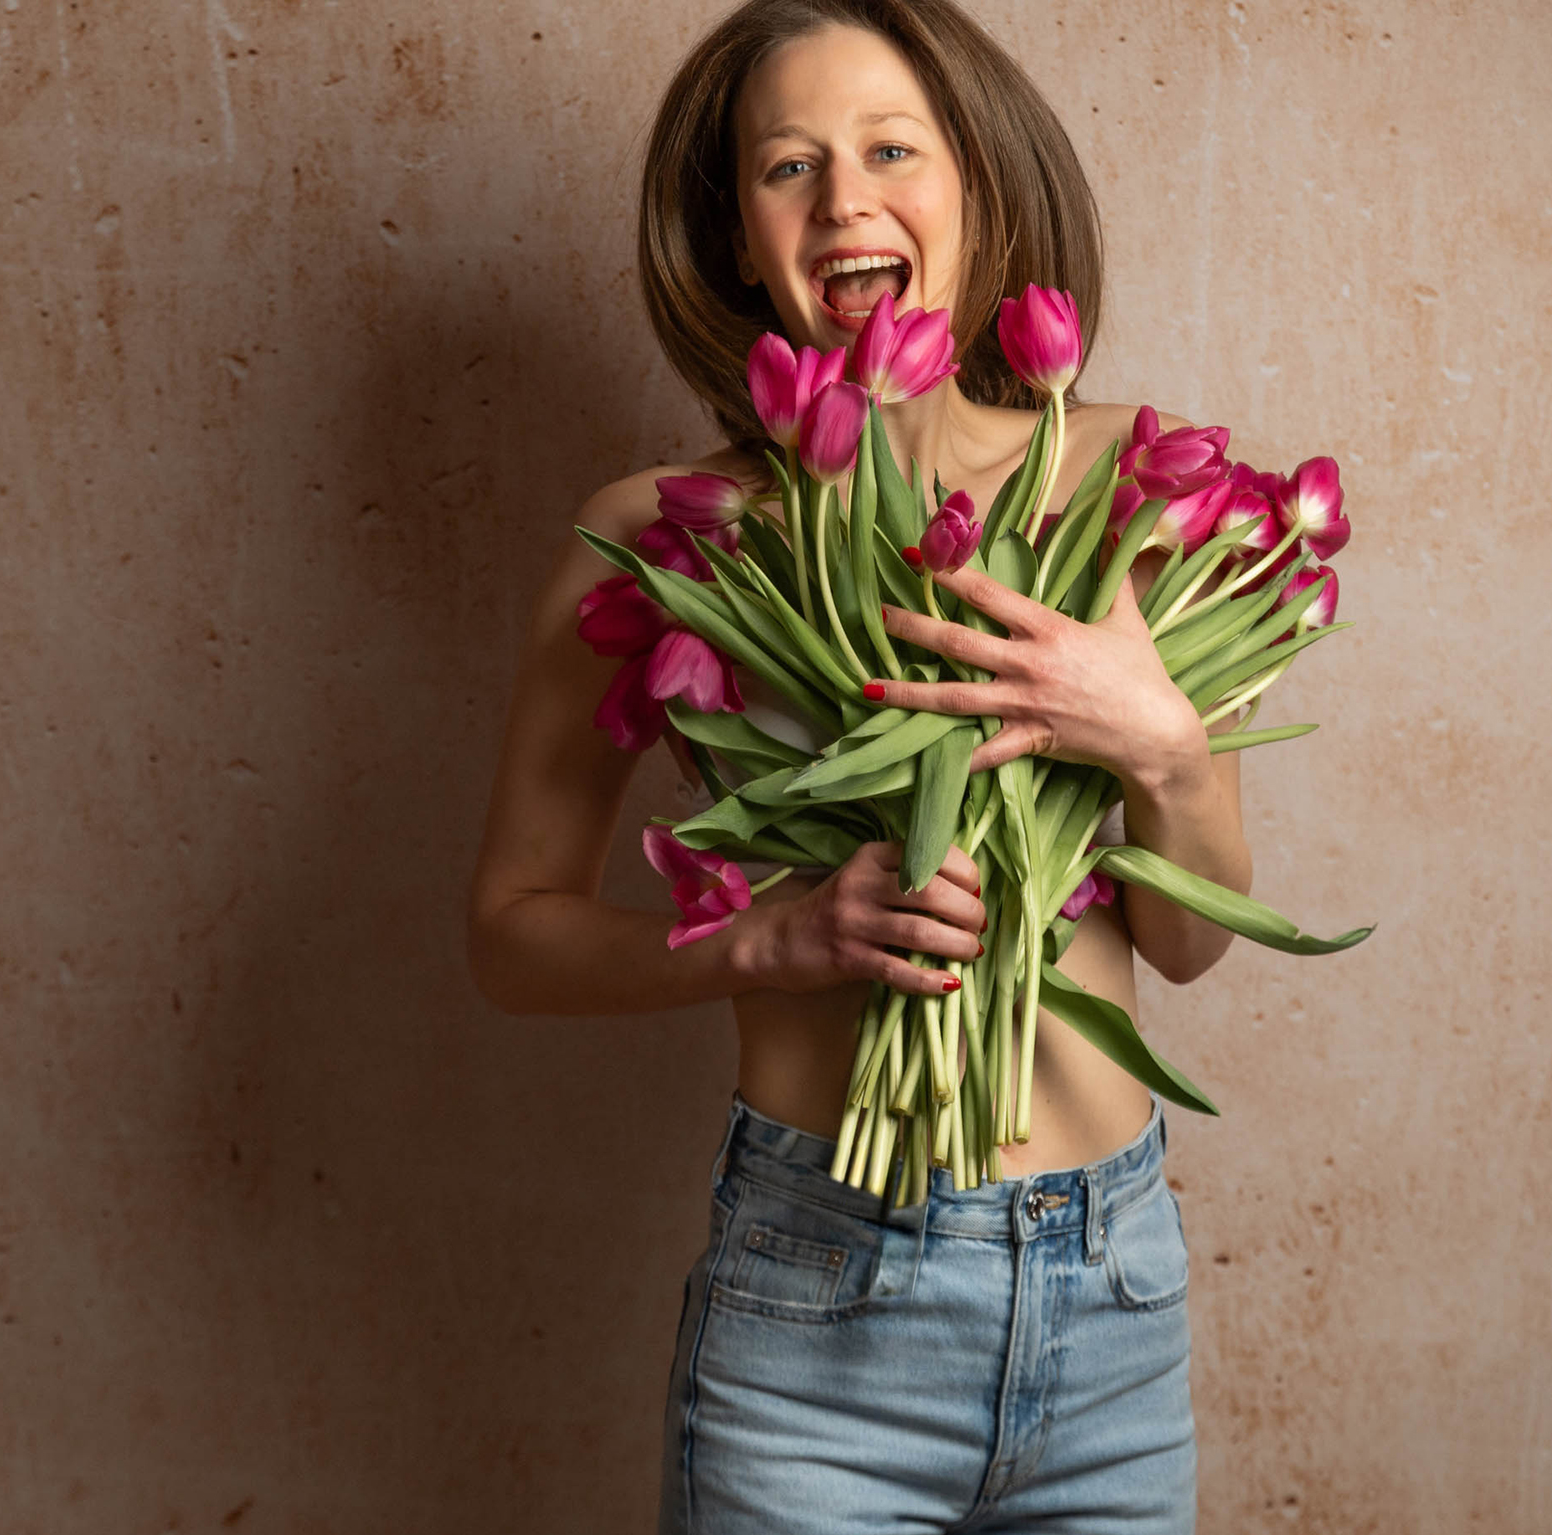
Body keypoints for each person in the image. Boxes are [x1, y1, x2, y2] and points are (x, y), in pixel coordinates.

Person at [466, 2, 1252, 1528]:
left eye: (893, 149)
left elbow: (1189, 936)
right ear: (739, 238)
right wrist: (772, 936)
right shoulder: (663, 531)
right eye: (787, 167)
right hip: (818, 1296)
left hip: (1111, 1292)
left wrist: (1160, 742)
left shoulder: (1130, 484)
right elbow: (510, 933)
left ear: (981, 183)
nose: (844, 201)